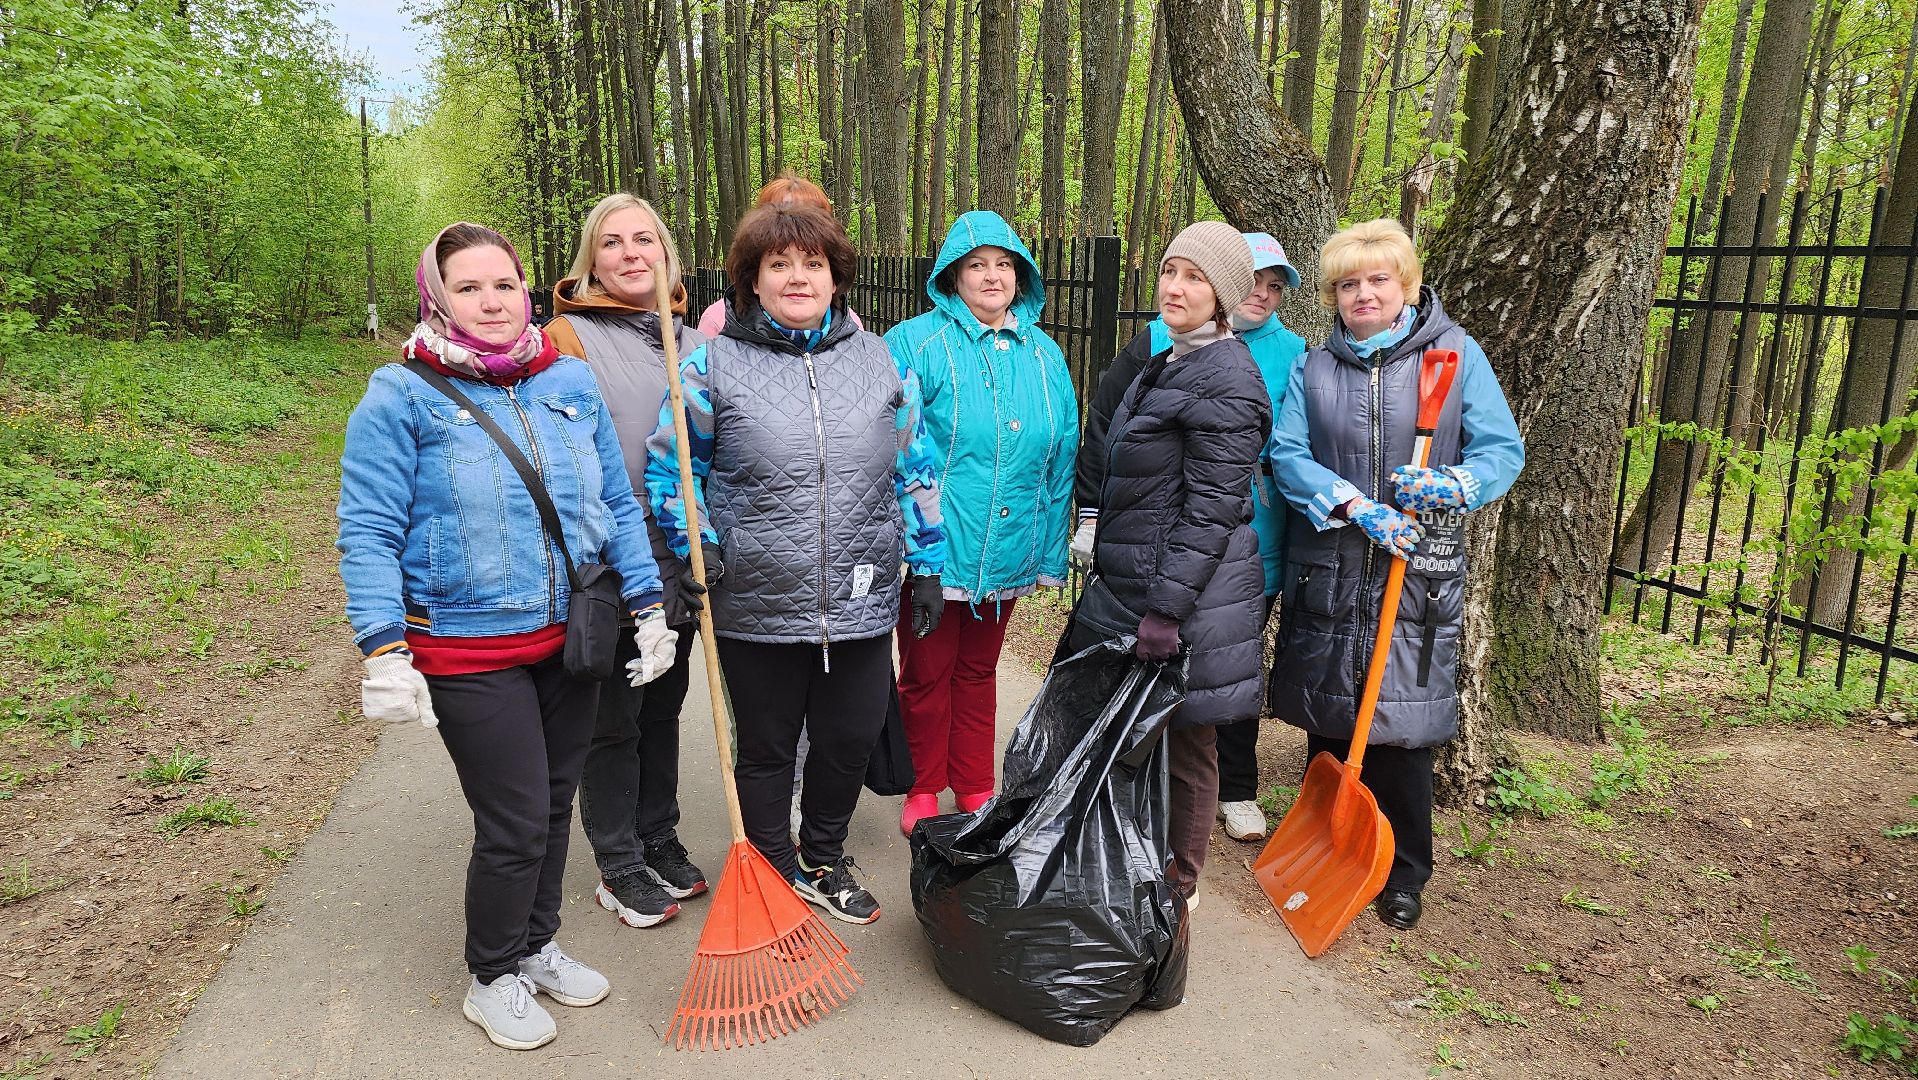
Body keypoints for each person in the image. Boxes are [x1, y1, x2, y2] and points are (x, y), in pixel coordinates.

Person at [338, 222, 678, 1051]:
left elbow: (618, 508)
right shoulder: (401, 395)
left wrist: (650, 605)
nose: (491, 301)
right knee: (517, 820)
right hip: (465, 646)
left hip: (570, 640)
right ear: (437, 297)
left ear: (526, 289)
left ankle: (535, 945)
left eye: (503, 284)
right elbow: (368, 527)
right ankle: (492, 976)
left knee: (556, 807)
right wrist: (383, 647)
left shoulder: (569, 380)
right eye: (468, 287)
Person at [645, 203, 947, 926]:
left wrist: (931, 559)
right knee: (769, 747)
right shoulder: (711, 364)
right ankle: (774, 864)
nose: (797, 276)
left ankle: (822, 855)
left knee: (846, 741)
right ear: (752, 278)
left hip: (861, 592)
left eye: (812, 263)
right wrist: (698, 541)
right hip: (754, 595)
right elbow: (671, 469)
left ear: (836, 276)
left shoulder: (881, 361)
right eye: (779, 264)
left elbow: (917, 463)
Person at [1266, 218, 1525, 931]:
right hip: (1335, 563)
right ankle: (1331, 847)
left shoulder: (1454, 356)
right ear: (1332, 295)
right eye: (1348, 284)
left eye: (1378, 279)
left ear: (1405, 285)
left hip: (1418, 572)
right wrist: (1354, 505)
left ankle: (1405, 871)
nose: (1364, 294)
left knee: (1406, 728)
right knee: (1331, 716)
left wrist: (1454, 483)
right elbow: (1288, 455)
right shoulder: (1313, 368)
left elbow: (1502, 450)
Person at [1072, 232, 1306, 844]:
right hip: (1143, 581)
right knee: (1141, 743)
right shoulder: (1172, 359)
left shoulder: (1227, 379)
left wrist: (1167, 610)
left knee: (1190, 747)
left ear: (1224, 297)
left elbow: (1212, 508)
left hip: (1192, 599)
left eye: (1195, 278)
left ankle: (1178, 892)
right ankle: (1138, 881)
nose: (1175, 287)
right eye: (1169, 270)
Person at [884, 211, 1078, 837]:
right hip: (938, 550)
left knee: (978, 669)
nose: (991, 277)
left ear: (1020, 275)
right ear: (952, 275)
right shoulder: (915, 344)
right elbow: (897, 448)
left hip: (1012, 548)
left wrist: (1048, 551)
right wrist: (917, 552)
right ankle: (921, 783)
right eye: (976, 265)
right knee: (925, 670)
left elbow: (1061, 455)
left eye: (1003, 265)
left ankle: (973, 782)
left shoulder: (1045, 354)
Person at [545, 194, 708, 930]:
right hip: (610, 560)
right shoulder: (566, 338)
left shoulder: (686, 336)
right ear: (592, 260)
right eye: (612, 243)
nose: (631, 253)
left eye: (645, 239)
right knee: (613, 715)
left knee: (664, 707)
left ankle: (657, 834)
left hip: (682, 554)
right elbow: (563, 464)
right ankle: (617, 861)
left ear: (666, 252)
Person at [696, 172, 863, 339]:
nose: (796, 226)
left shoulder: (851, 327)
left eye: (813, 264)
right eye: (779, 264)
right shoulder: (717, 321)